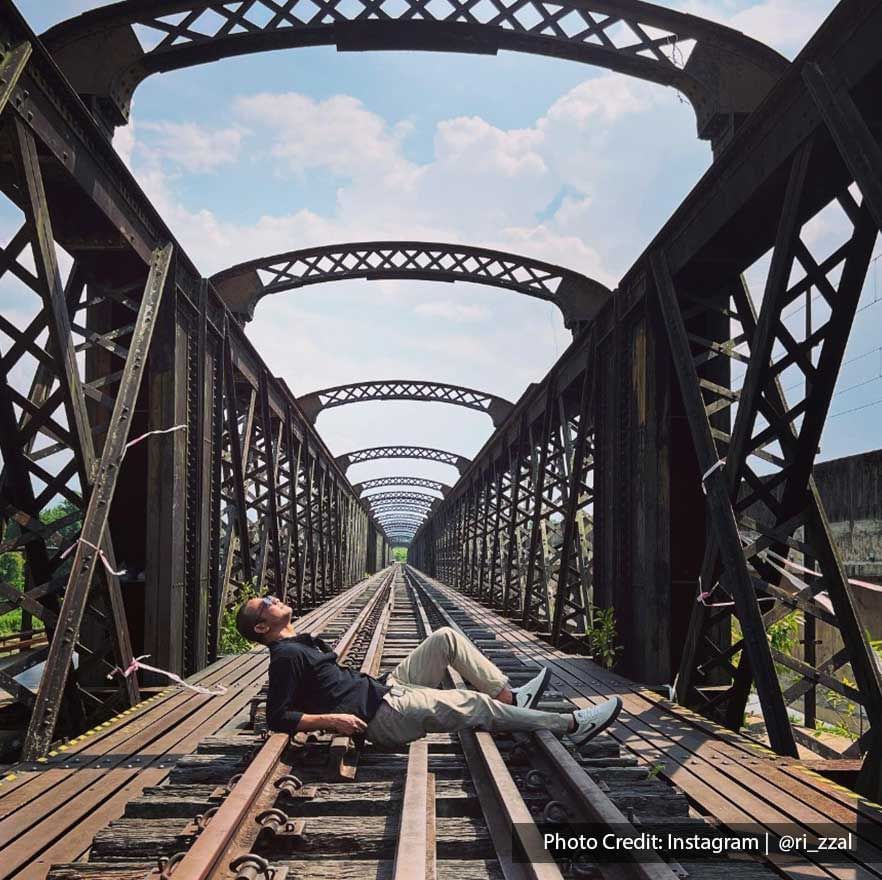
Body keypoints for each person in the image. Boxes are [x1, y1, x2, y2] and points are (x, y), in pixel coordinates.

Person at [236, 594, 623, 749]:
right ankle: (571, 725)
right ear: (261, 628)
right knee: (472, 702)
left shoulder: (298, 643)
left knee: (444, 638)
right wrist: (331, 720)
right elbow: (278, 716)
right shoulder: (285, 656)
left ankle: (511, 697)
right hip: (381, 716)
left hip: (384, 689)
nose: (273, 597)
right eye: (265, 602)